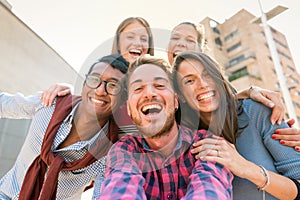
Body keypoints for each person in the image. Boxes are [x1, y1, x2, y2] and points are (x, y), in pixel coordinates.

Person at [100, 55, 233, 199]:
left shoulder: (207, 142)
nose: (150, 93)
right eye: (138, 88)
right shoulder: (123, 150)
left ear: (176, 101)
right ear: (128, 109)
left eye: (160, 85)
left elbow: (210, 187)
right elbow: (120, 188)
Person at [172, 51, 300, 199]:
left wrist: (245, 167)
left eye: (207, 75)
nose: (203, 84)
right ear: (180, 95)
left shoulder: (256, 112)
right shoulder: (186, 140)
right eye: (189, 81)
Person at [0, 54, 129, 200]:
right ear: (84, 83)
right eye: (94, 80)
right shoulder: (50, 103)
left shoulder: (109, 151)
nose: (100, 91)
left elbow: (104, 196)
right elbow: (4, 104)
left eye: (113, 85)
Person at [166, 21, 300, 151]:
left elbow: (230, 102)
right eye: (175, 38)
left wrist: (252, 93)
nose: (181, 43)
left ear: (200, 50)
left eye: (190, 40)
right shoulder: (161, 84)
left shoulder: (241, 105)